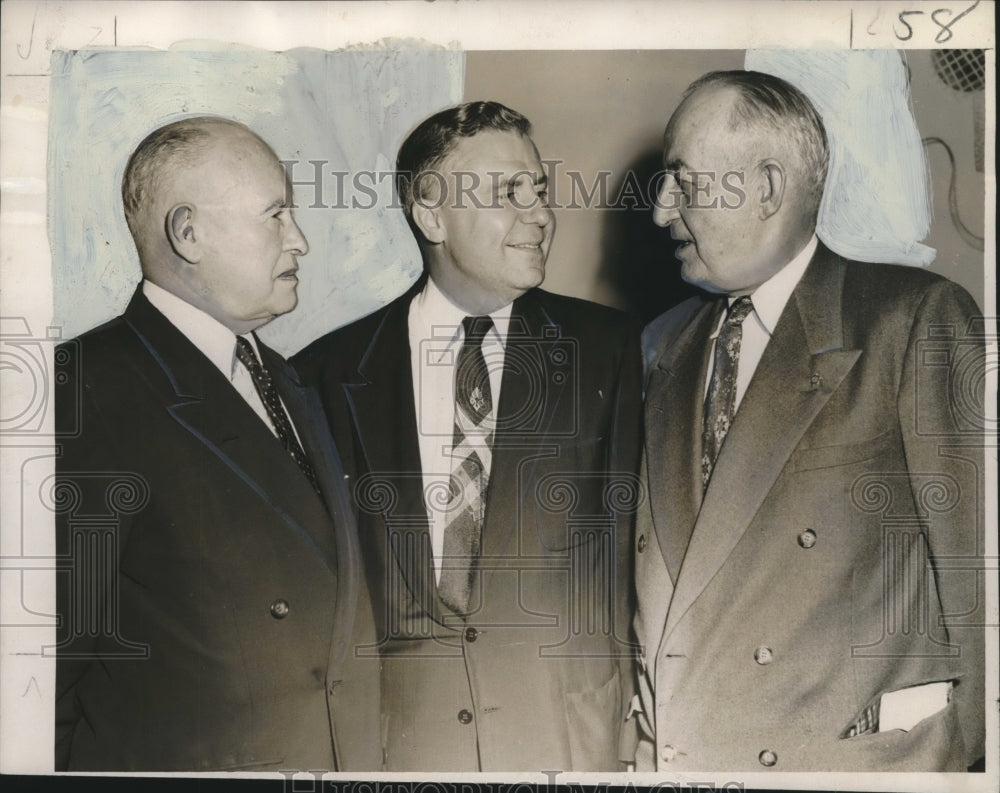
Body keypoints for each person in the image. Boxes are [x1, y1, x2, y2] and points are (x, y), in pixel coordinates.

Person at [632, 70, 986, 772]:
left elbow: (983, 582)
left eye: (682, 179)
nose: (660, 209)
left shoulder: (912, 320)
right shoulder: (658, 346)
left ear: (766, 186)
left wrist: (966, 758)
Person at [294, 101, 642, 771]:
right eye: (507, 192)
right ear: (431, 215)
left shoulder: (614, 351)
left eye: (539, 190)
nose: (539, 213)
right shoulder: (326, 375)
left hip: (567, 741)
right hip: (401, 749)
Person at [54, 116, 379, 771]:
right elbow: (41, 685)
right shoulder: (81, 391)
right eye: (275, 215)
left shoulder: (292, 381)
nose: (301, 241)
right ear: (189, 234)